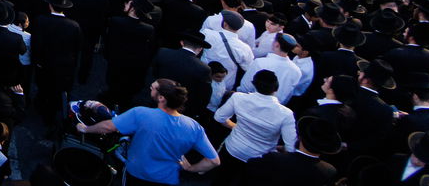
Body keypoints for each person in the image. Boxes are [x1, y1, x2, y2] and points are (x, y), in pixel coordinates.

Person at [76, 78, 220, 186]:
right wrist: (191, 168)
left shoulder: (140, 113)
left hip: (137, 174)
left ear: (161, 98)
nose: (150, 89)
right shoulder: (194, 127)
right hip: (168, 179)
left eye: (152, 88)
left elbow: (108, 127)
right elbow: (214, 161)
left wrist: (86, 129)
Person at [212, 70, 296, 185]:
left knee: (222, 180)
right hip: (261, 159)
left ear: (254, 84)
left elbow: (219, 117)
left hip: (233, 148)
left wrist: (234, 126)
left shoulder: (238, 98)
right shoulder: (286, 114)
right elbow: (291, 147)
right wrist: (279, 148)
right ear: (276, 88)